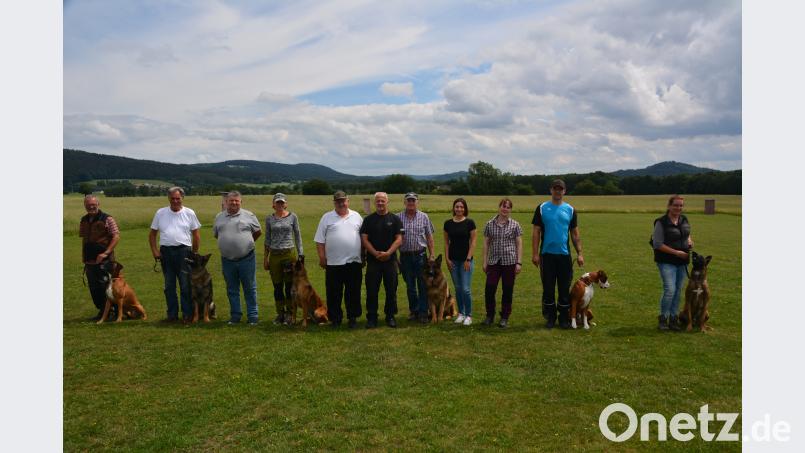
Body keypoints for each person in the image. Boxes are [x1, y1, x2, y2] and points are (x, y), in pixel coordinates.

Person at [531, 179, 584, 329]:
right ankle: (550, 317)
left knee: (563, 287)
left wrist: (580, 253)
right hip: (546, 255)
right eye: (555, 189)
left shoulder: (570, 209)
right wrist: (535, 253)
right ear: (551, 190)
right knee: (548, 287)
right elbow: (536, 232)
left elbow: (575, 234)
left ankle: (563, 317)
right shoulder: (541, 208)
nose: (558, 191)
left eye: (560, 189)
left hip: (564, 256)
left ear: (564, 191)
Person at [149, 187, 201, 323]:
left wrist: (194, 253)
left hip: (184, 251)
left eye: (178, 198)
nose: (175, 201)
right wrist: (155, 251)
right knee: (169, 286)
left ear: (182, 198)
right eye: (173, 198)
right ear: (168, 198)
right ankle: (172, 315)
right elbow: (152, 234)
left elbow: (196, 235)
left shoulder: (189, 213)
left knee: (185, 285)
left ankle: (187, 315)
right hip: (166, 252)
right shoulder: (160, 213)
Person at [314, 191, 364, 329]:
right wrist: (322, 257)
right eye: (338, 201)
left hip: (353, 262)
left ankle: (352, 317)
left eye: (343, 200)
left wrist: (363, 257)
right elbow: (319, 241)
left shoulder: (357, 217)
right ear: (334, 203)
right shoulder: (327, 218)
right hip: (333, 263)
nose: (341, 203)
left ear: (348, 201)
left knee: (353, 292)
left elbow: (364, 238)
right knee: (333, 292)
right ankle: (335, 319)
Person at [214, 191, 262, 325]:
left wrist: (246, 243)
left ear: (241, 202)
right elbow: (217, 234)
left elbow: (258, 232)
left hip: (246, 258)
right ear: (226, 202)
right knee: (231, 289)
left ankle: (253, 316)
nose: (234, 203)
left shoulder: (249, 215)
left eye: (237, 201)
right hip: (227, 260)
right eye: (231, 201)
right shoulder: (219, 217)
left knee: (250, 287)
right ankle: (235, 316)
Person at [360, 192, 404, 328]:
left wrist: (388, 253)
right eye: (378, 201)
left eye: (382, 201)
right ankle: (372, 317)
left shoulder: (395, 219)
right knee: (372, 290)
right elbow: (364, 239)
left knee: (391, 290)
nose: (380, 203)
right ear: (375, 203)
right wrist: (374, 253)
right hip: (373, 262)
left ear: (387, 202)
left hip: (390, 261)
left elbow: (399, 239)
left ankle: (390, 316)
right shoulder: (368, 220)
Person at [652, 195, 693, 331]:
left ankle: (674, 319)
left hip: (682, 261)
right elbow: (657, 244)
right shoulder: (661, 222)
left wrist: (689, 241)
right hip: (666, 261)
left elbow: (686, 233)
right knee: (670, 290)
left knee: (678, 291)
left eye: (681, 205)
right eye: (676, 205)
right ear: (669, 206)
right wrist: (676, 252)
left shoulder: (684, 219)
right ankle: (663, 318)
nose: (678, 208)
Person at [263, 193, 303, 325]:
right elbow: (267, 239)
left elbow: (297, 235)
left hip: (288, 254)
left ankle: (290, 314)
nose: (280, 205)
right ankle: (280, 313)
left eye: (282, 202)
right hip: (274, 256)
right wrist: (265, 258)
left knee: (289, 287)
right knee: (277, 287)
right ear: (273, 204)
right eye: (277, 202)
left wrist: (300, 254)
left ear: (285, 204)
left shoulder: (293, 217)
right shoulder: (269, 219)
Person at [481, 198, 523, 328]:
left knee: (507, 290)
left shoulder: (515, 225)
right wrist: (485, 261)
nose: (505, 209)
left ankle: (504, 317)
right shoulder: (489, 224)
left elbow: (519, 244)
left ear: (510, 210)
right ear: (499, 207)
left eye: (508, 207)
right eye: (503, 206)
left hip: (509, 261)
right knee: (489, 288)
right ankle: (490, 315)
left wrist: (519, 262)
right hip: (493, 261)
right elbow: (486, 243)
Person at [79, 194, 120, 321]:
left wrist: (106, 253)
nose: (91, 207)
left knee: (106, 286)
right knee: (94, 287)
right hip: (89, 260)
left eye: (93, 204)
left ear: (98, 204)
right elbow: (85, 239)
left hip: (105, 260)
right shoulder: (84, 220)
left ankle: (113, 312)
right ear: (85, 206)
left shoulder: (108, 219)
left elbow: (116, 236)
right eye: (88, 205)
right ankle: (102, 311)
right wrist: (84, 256)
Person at [397, 192, 435, 324]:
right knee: (410, 287)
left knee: (422, 285)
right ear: (404, 202)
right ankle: (414, 311)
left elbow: (429, 237)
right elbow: (394, 239)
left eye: (413, 201)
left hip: (420, 256)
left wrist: (432, 254)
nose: (411, 203)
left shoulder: (424, 217)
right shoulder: (398, 217)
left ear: (417, 202)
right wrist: (396, 257)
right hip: (405, 256)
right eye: (409, 201)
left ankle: (424, 313)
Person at [443, 198, 477, 326]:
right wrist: (447, 259)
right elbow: (446, 243)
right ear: (453, 208)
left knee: (465, 289)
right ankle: (461, 313)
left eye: (461, 207)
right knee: (457, 288)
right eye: (457, 207)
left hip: (465, 261)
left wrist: (468, 259)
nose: (459, 209)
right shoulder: (448, 224)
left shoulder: (470, 223)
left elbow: (473, 242)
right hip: (453, 261)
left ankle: (469, 315)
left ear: (465, 209)